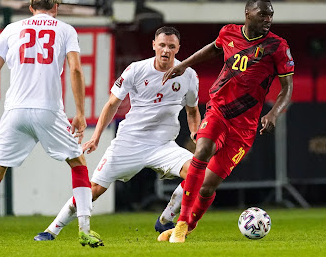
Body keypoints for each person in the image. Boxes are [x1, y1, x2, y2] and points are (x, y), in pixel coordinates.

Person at [0, 0, 103, 249]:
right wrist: (80, 114)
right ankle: (85, 229)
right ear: (56, 7)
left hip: (14, 111)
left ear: (30, 7)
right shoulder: (66, 30)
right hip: (49, 111)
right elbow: (75, 71)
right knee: (78, 162)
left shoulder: (11, 29)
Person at [33, 26, 201, 241]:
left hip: (163, 145)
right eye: (161, 45)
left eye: (171, 46)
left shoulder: (188, 75)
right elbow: (112, 103)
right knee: (93, 189)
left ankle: (166, 219)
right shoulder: (136, 70)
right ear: (153, 45)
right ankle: (51, 230)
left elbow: (193, 110)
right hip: (129, 144)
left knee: (198, 174)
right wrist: (96, 137)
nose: (165, 50)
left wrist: (196, 134)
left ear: (178, 48)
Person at [158, 0, 294, 243]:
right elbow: (213, 48)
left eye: (271, 15)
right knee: (201, 152)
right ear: (248, 13)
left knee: (208, 185)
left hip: (244, 128)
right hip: (218, 110)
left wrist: (274, 112)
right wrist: (184, 64)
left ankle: (188, 227)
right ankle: (180, 224)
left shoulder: (278, 46)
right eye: (263, 14)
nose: (268, 19)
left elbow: (288, 88)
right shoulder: (229, 33)